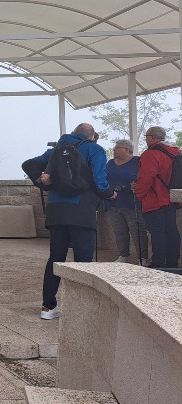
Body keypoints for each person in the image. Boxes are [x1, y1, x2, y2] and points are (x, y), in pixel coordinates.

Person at [23, 123, 113, 320]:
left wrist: (43, 181)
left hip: (56, 210)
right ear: (92, 137)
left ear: (73, 135)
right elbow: (99, 181)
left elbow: (28, 164)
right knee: (83, 261)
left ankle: (47, 307)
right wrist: (110, 193)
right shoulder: (94, 149)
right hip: (81, 210)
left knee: (55, 258)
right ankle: (82, 308)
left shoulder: (55, 150)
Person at [133, 126, 181, 269]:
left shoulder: (151, 154)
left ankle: (158, 264)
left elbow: (146, 177)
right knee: (171, 231)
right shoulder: (175, 152)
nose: (145, 139)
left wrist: (138, 193)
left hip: (155, 199)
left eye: (146, 136)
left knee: (157, 233)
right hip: (172, 199)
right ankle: (172, 263)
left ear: (152, 138)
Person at [105, 139, 148, 264]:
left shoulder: (137, 161)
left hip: (132, 203)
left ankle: (142, 257)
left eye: (117, 148)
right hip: (113, 202)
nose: (114, 150)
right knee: (119, 230)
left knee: (137, 231)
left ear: (127, 149)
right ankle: (123, 255)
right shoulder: (110, 163)